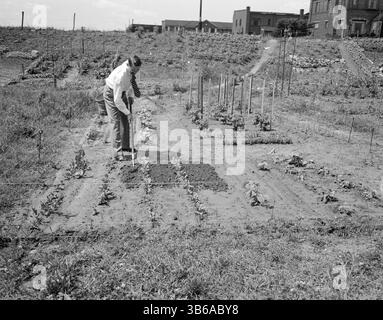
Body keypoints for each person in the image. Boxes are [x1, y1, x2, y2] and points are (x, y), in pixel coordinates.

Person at [103, 55, 142, 160]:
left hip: (121, 92)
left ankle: (125, 146)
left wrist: (130, 96)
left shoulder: (130, 69)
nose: (137, 71)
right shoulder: (121, 76)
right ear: (130, 66)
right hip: (111, 95)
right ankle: (117, 152)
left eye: (138, 69)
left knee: (125, 120)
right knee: (116, 122)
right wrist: (127, 112)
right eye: (135, 69)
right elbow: (117, 100)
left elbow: (128, 84)